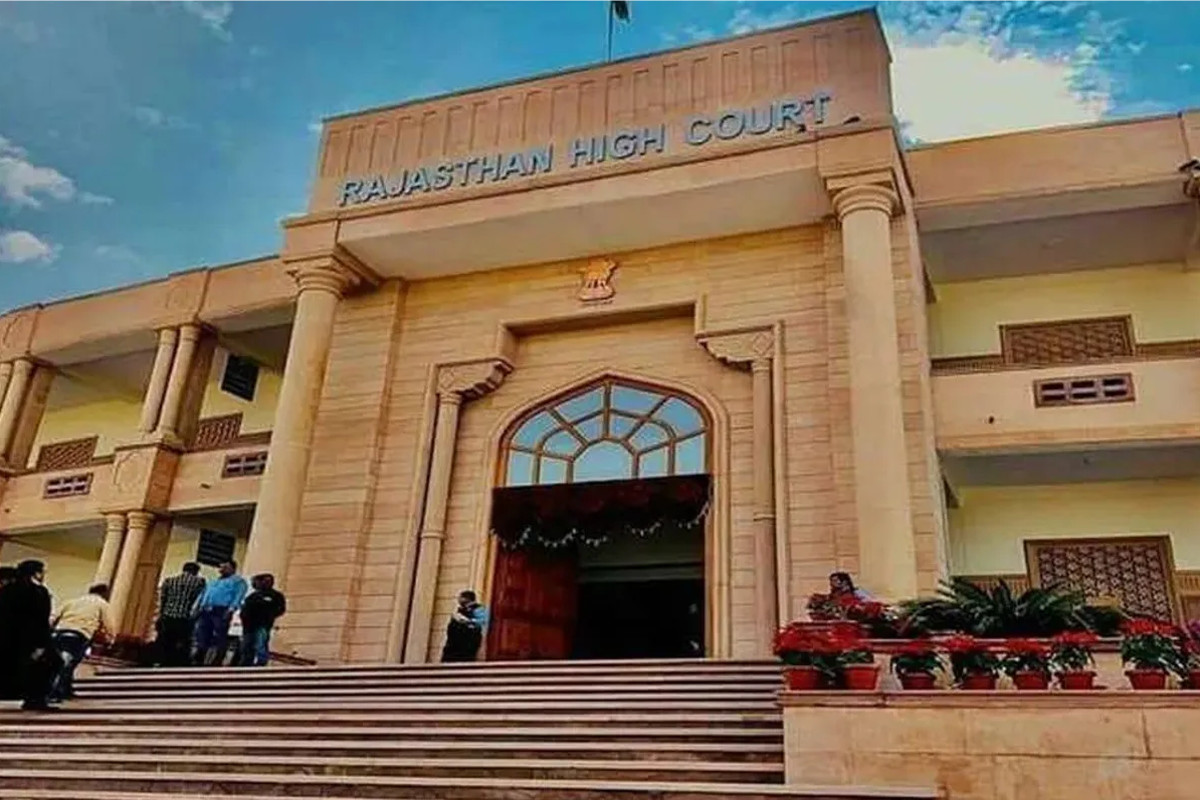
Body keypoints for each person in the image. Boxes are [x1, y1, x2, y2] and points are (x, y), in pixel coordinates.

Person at [0, 560, 60, 710]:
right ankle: (35, 699)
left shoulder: (7, 590)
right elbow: (40, 618)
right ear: (37, 573)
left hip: (8, 637)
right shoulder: (39, 591)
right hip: (31, 637)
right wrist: (42, 642)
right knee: (50, 663)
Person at [49, 583, 114, 701]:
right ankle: (56, 692)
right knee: (69, 664)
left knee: (59, 663)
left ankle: (66, 690)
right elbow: (108, 624)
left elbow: (53, 617)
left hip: (60, 632)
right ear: (104, 593)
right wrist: (111, 639)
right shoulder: (102, 604)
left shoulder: (71, 601)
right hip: (80, 634)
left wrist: (50, 631)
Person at [192, 560, 248, 666]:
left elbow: (238, 596)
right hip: (206, 609)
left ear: (233, 568)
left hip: (221, 610)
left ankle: (217, 659)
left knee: (220, 636)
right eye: (221, 567)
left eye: (225, 567)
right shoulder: (213, 581)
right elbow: (203, 594)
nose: (222, 569)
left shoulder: (238, 581)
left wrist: (231, 610)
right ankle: (200, 657)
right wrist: (198, 606)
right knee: (202, 634)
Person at [155, 562, 206, 667]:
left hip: (168, 615)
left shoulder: (169, 581)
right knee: (182, 642)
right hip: (185, 617)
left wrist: (161, 614)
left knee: (166, 641)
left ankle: (162, 662)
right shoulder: (199, 582)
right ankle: (177, 663)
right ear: (196, 571)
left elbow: (163, 599)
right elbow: (199, 601)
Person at [235, 573, 286, 667]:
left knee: (261, 644)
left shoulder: (276, 595)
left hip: (263, 624)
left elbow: (280, 609)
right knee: (247, 645)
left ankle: (261, 663)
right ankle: (246, 663)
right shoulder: (252, 596)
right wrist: (243, 618)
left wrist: (269, 615)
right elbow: (245, 609)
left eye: (269, 581)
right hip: (249, 625)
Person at [441, 589, 488, 663]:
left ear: (467, 598)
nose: (459, 600)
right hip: (453, 645)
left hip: (467, 643)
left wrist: (465, 620)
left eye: (460, 597)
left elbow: (481, 622)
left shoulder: (478, 609)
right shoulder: (461, 609)